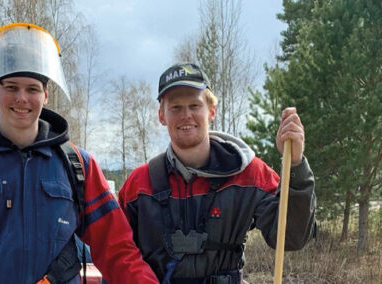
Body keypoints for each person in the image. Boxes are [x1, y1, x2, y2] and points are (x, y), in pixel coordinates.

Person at [0, 23, 159, 284]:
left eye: (32, 89)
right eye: (11, 87)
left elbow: (116, 249)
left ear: (45, 96)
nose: (22, 98)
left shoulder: (77, 164)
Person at [118, 62, 316, 283]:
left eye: (194, 105)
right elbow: (118, 254)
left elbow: (291, 237)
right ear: (162, 116)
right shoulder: (139, 185)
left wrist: (296, 165)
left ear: (211, 111)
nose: (186, 115)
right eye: (175, 107)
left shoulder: (250, 174)